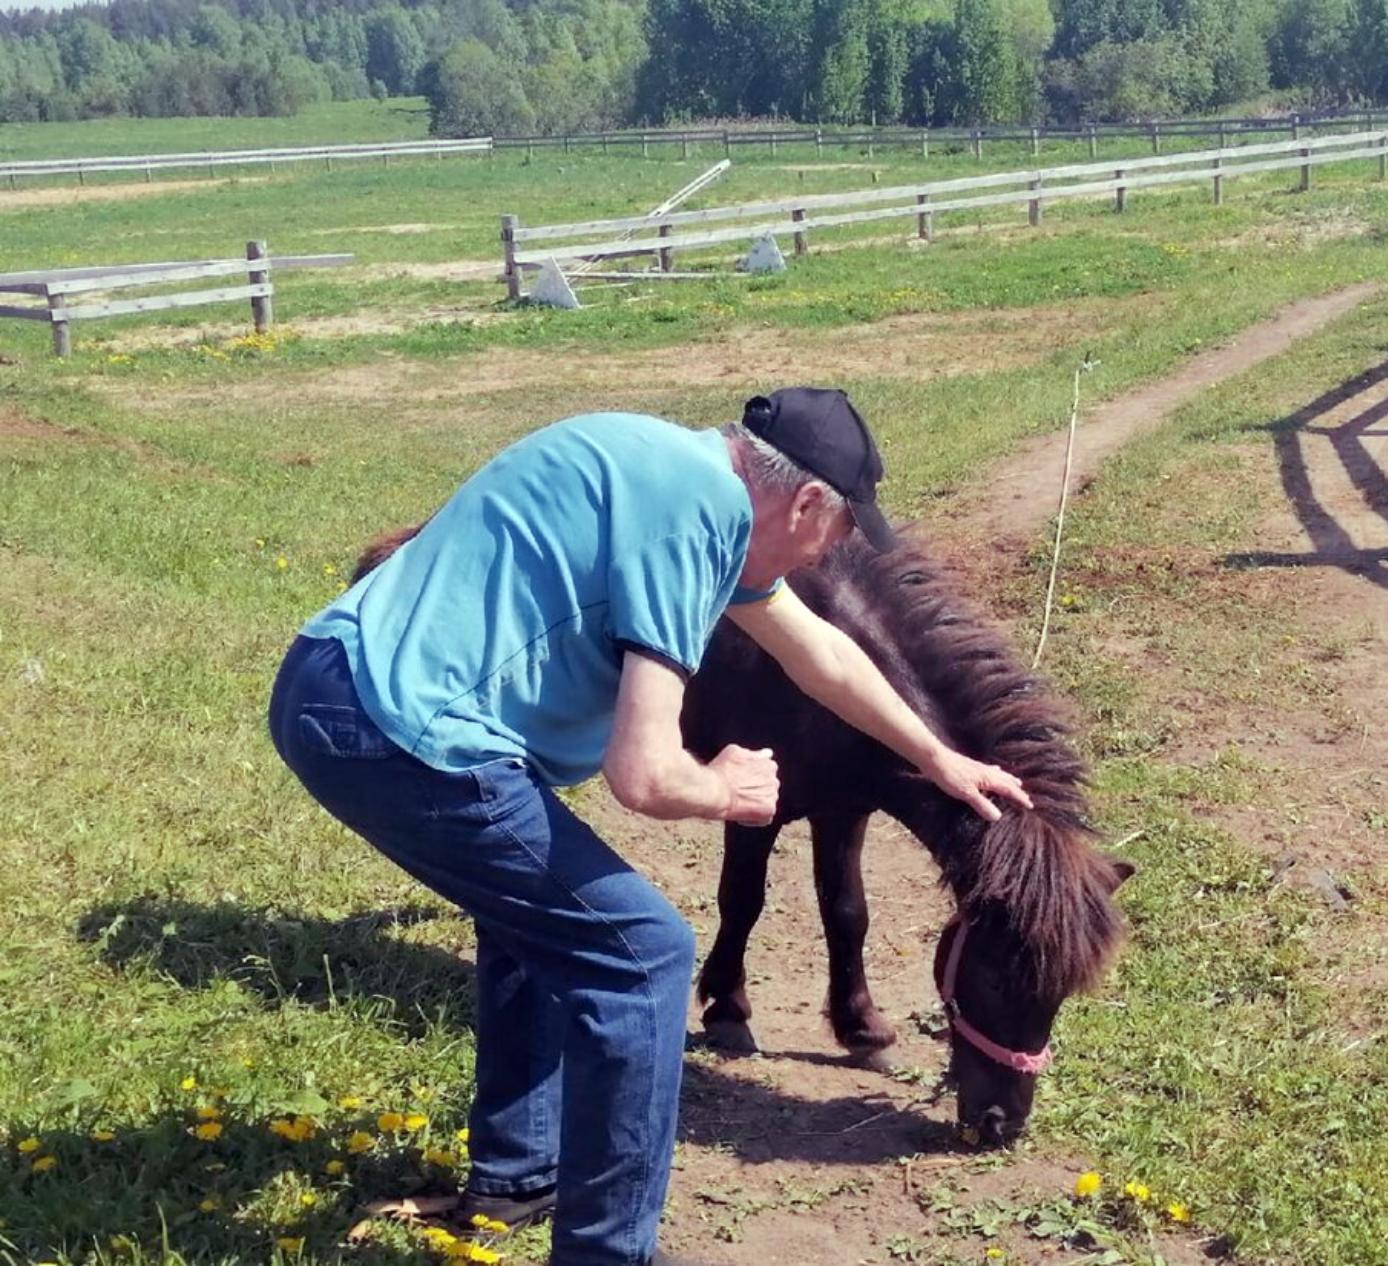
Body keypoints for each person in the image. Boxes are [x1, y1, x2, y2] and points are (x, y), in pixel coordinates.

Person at [267, 387, 1032, 1266]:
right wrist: (727, 790)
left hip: (341, 684)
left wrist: (938, 757)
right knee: (644, 957)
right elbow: (646, 776)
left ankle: (517, 1175)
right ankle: (608, 1254)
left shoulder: (663, 462)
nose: (832, 555)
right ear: (808, 501)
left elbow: (817, 651)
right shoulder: (694, 516)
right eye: (838, 534)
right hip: (394, 729)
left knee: (536, 924)